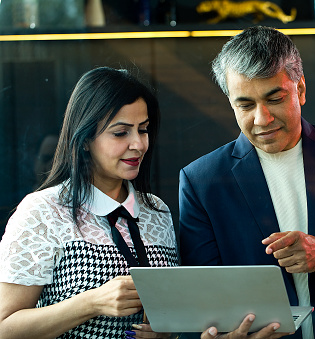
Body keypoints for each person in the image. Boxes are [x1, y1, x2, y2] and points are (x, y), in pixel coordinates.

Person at [0, 67, 281, 339]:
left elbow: (172, 316)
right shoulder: (42, 211)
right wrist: (91, 303)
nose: (138, 144)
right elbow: (5, 327)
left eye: (143, 130)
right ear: (85, 139)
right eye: (121, 133)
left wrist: (165, 331)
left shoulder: (156, 211)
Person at [179, 26, 315, 339]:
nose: (261, 119)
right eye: (245, 105)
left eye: (274, 98)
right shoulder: (200, 181)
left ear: (300, 89)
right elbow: (201, 303)